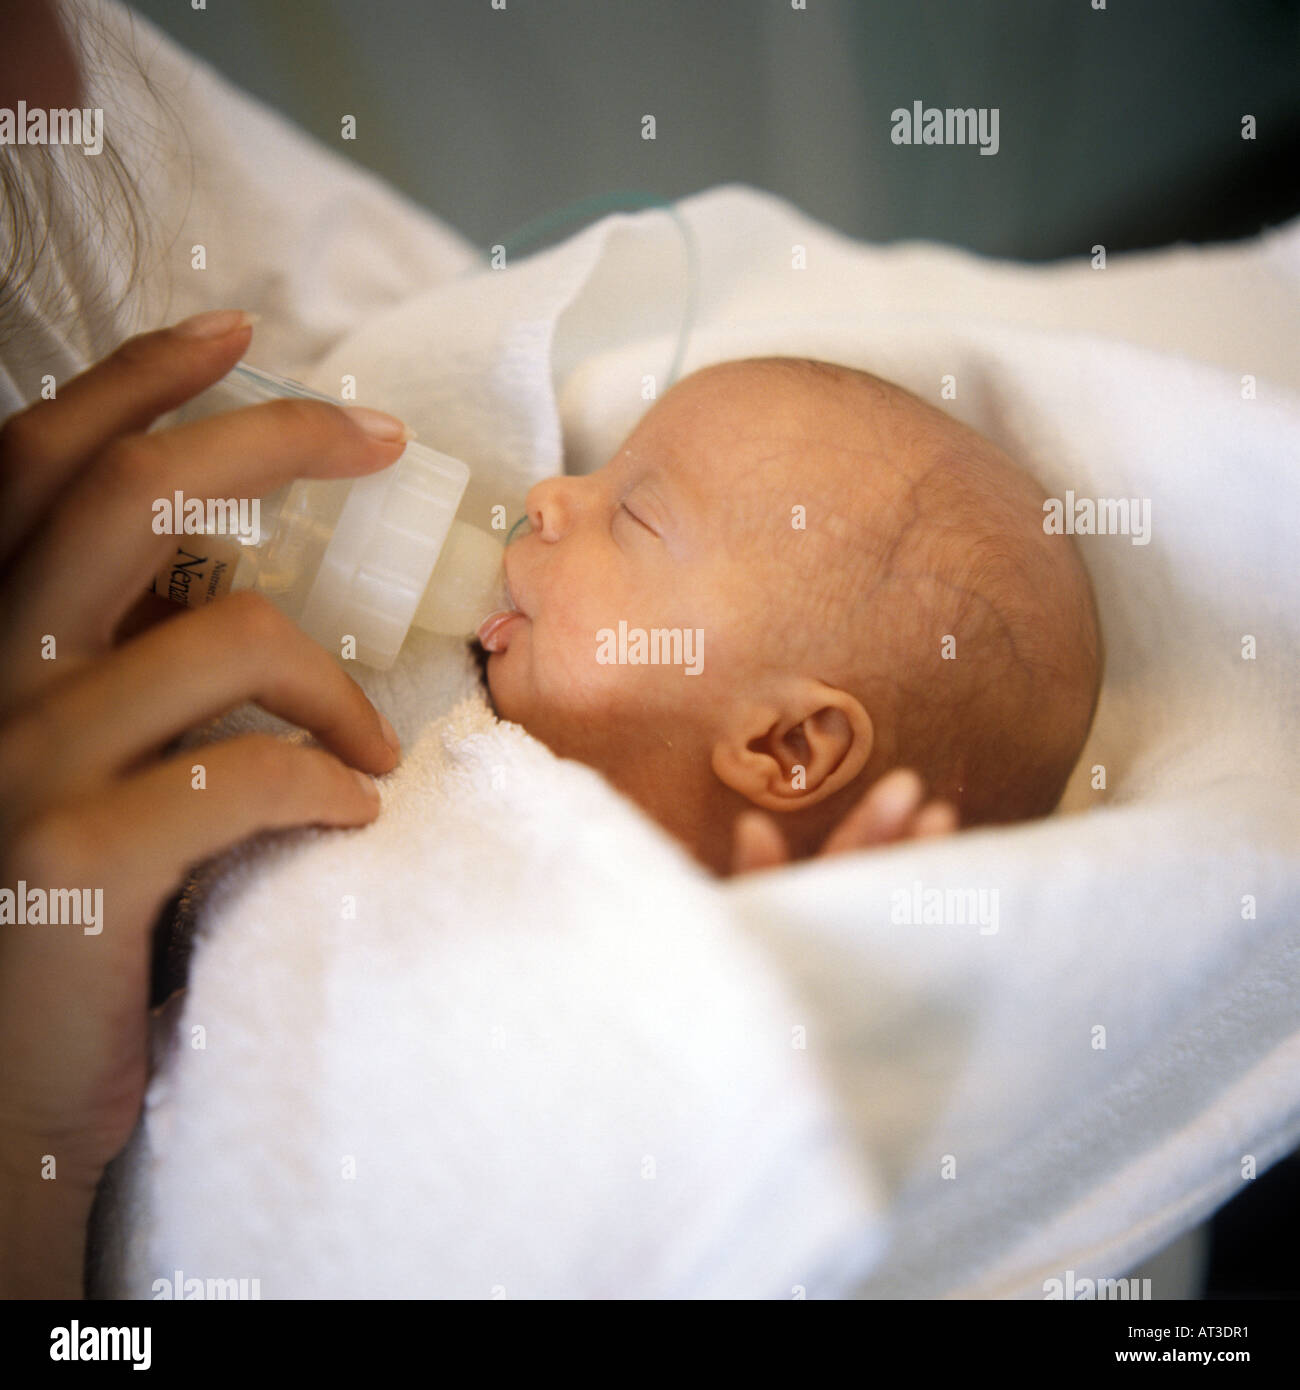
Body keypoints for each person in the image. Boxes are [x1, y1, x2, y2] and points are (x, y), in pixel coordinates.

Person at [0, 1, 965, 1298]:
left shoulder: (688, 949)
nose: (546, 496)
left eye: (632, 509)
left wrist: (769, 1027)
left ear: (788, 741)